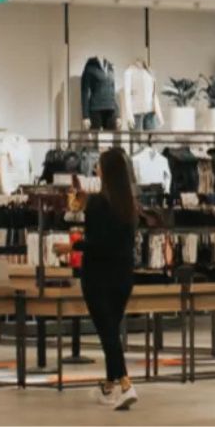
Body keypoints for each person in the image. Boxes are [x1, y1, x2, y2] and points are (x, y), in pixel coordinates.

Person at [56, 148, 139, 410]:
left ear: (107, 171)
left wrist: (73, 246)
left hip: (98, 276)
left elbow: (96, 243)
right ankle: (109, 386)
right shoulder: (129, 205)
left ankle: (126, 384)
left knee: (108, 334)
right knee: (111, 330)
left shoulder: (98, 203)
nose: (96, 169)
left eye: (99, 165)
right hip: (123, 276)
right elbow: (119, 243)